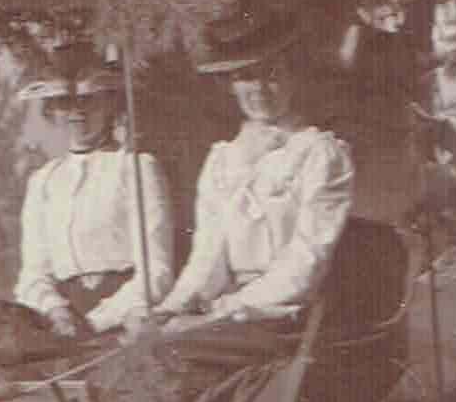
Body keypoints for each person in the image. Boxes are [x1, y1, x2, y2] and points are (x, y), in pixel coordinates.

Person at [148, 52, 353, 335]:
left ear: (293, 78)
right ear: (230, 85)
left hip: (288, 311)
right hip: (229, 310)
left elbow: (307, 259)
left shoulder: (321, 152)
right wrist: (172, 307)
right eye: (245, 77)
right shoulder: (223, 159)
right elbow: (208, 254)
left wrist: (223, 310)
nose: (258, 88)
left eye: (272, 75)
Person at [8, 60, 174, 341]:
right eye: (64, 103)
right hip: (63, 324)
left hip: (125, 316)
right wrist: (55, 311)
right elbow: (33, 274)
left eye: (89, 100)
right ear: (51, 110)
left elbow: (156, 270)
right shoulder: (43, 181)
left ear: (110, 104)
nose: (77, 112)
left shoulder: (134, 167)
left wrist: (97, 321)